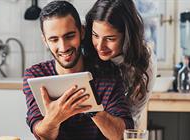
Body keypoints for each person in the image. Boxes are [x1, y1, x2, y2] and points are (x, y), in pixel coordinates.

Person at [23, 1, 133, 140]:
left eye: (69, 36)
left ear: (82, 32)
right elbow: (41, 133)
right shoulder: (35, 76)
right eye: (54, 39)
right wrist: (54, 118)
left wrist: (92, 108)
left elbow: (123, 135)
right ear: (45, 41)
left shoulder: (108, 73)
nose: (63, 47)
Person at [83, 0, 157, 128]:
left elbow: (130, 117)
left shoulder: (144, 63)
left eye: (110, 38)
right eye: (95, 35)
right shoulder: (85, 46)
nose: (100, 46)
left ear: (127, 36)